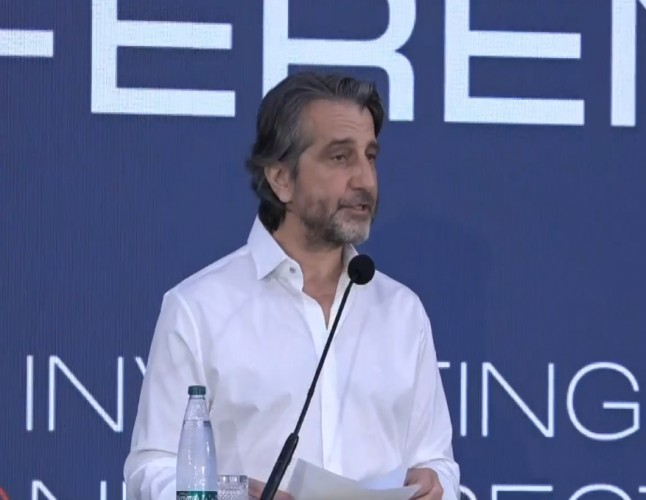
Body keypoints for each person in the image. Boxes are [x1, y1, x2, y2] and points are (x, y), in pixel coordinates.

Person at [123, 72, 461, 500]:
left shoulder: (401, 312)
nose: (365, 181)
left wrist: (435, 483)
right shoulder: (198, 309)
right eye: (340, 157)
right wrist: (229, 495)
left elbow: (437, 462)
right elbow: (150, 469)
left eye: (370, 156)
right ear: (281, 178)